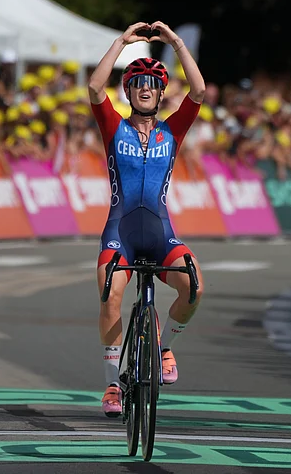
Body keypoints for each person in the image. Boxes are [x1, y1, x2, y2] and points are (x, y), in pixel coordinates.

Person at [88, 21, 206, 418]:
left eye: (152, 84)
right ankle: (111, 384)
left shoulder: (173, 130)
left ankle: (165, 345)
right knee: (111, 293)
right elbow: (92, 88)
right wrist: (121, 43)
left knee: (194, 287)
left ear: (159, 93)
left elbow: (201, 91)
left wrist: (174, 42)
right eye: (137, 82)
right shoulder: (113, 127)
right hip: (120, 231)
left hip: (159, 233)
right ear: (129, 90)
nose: (145, 88)